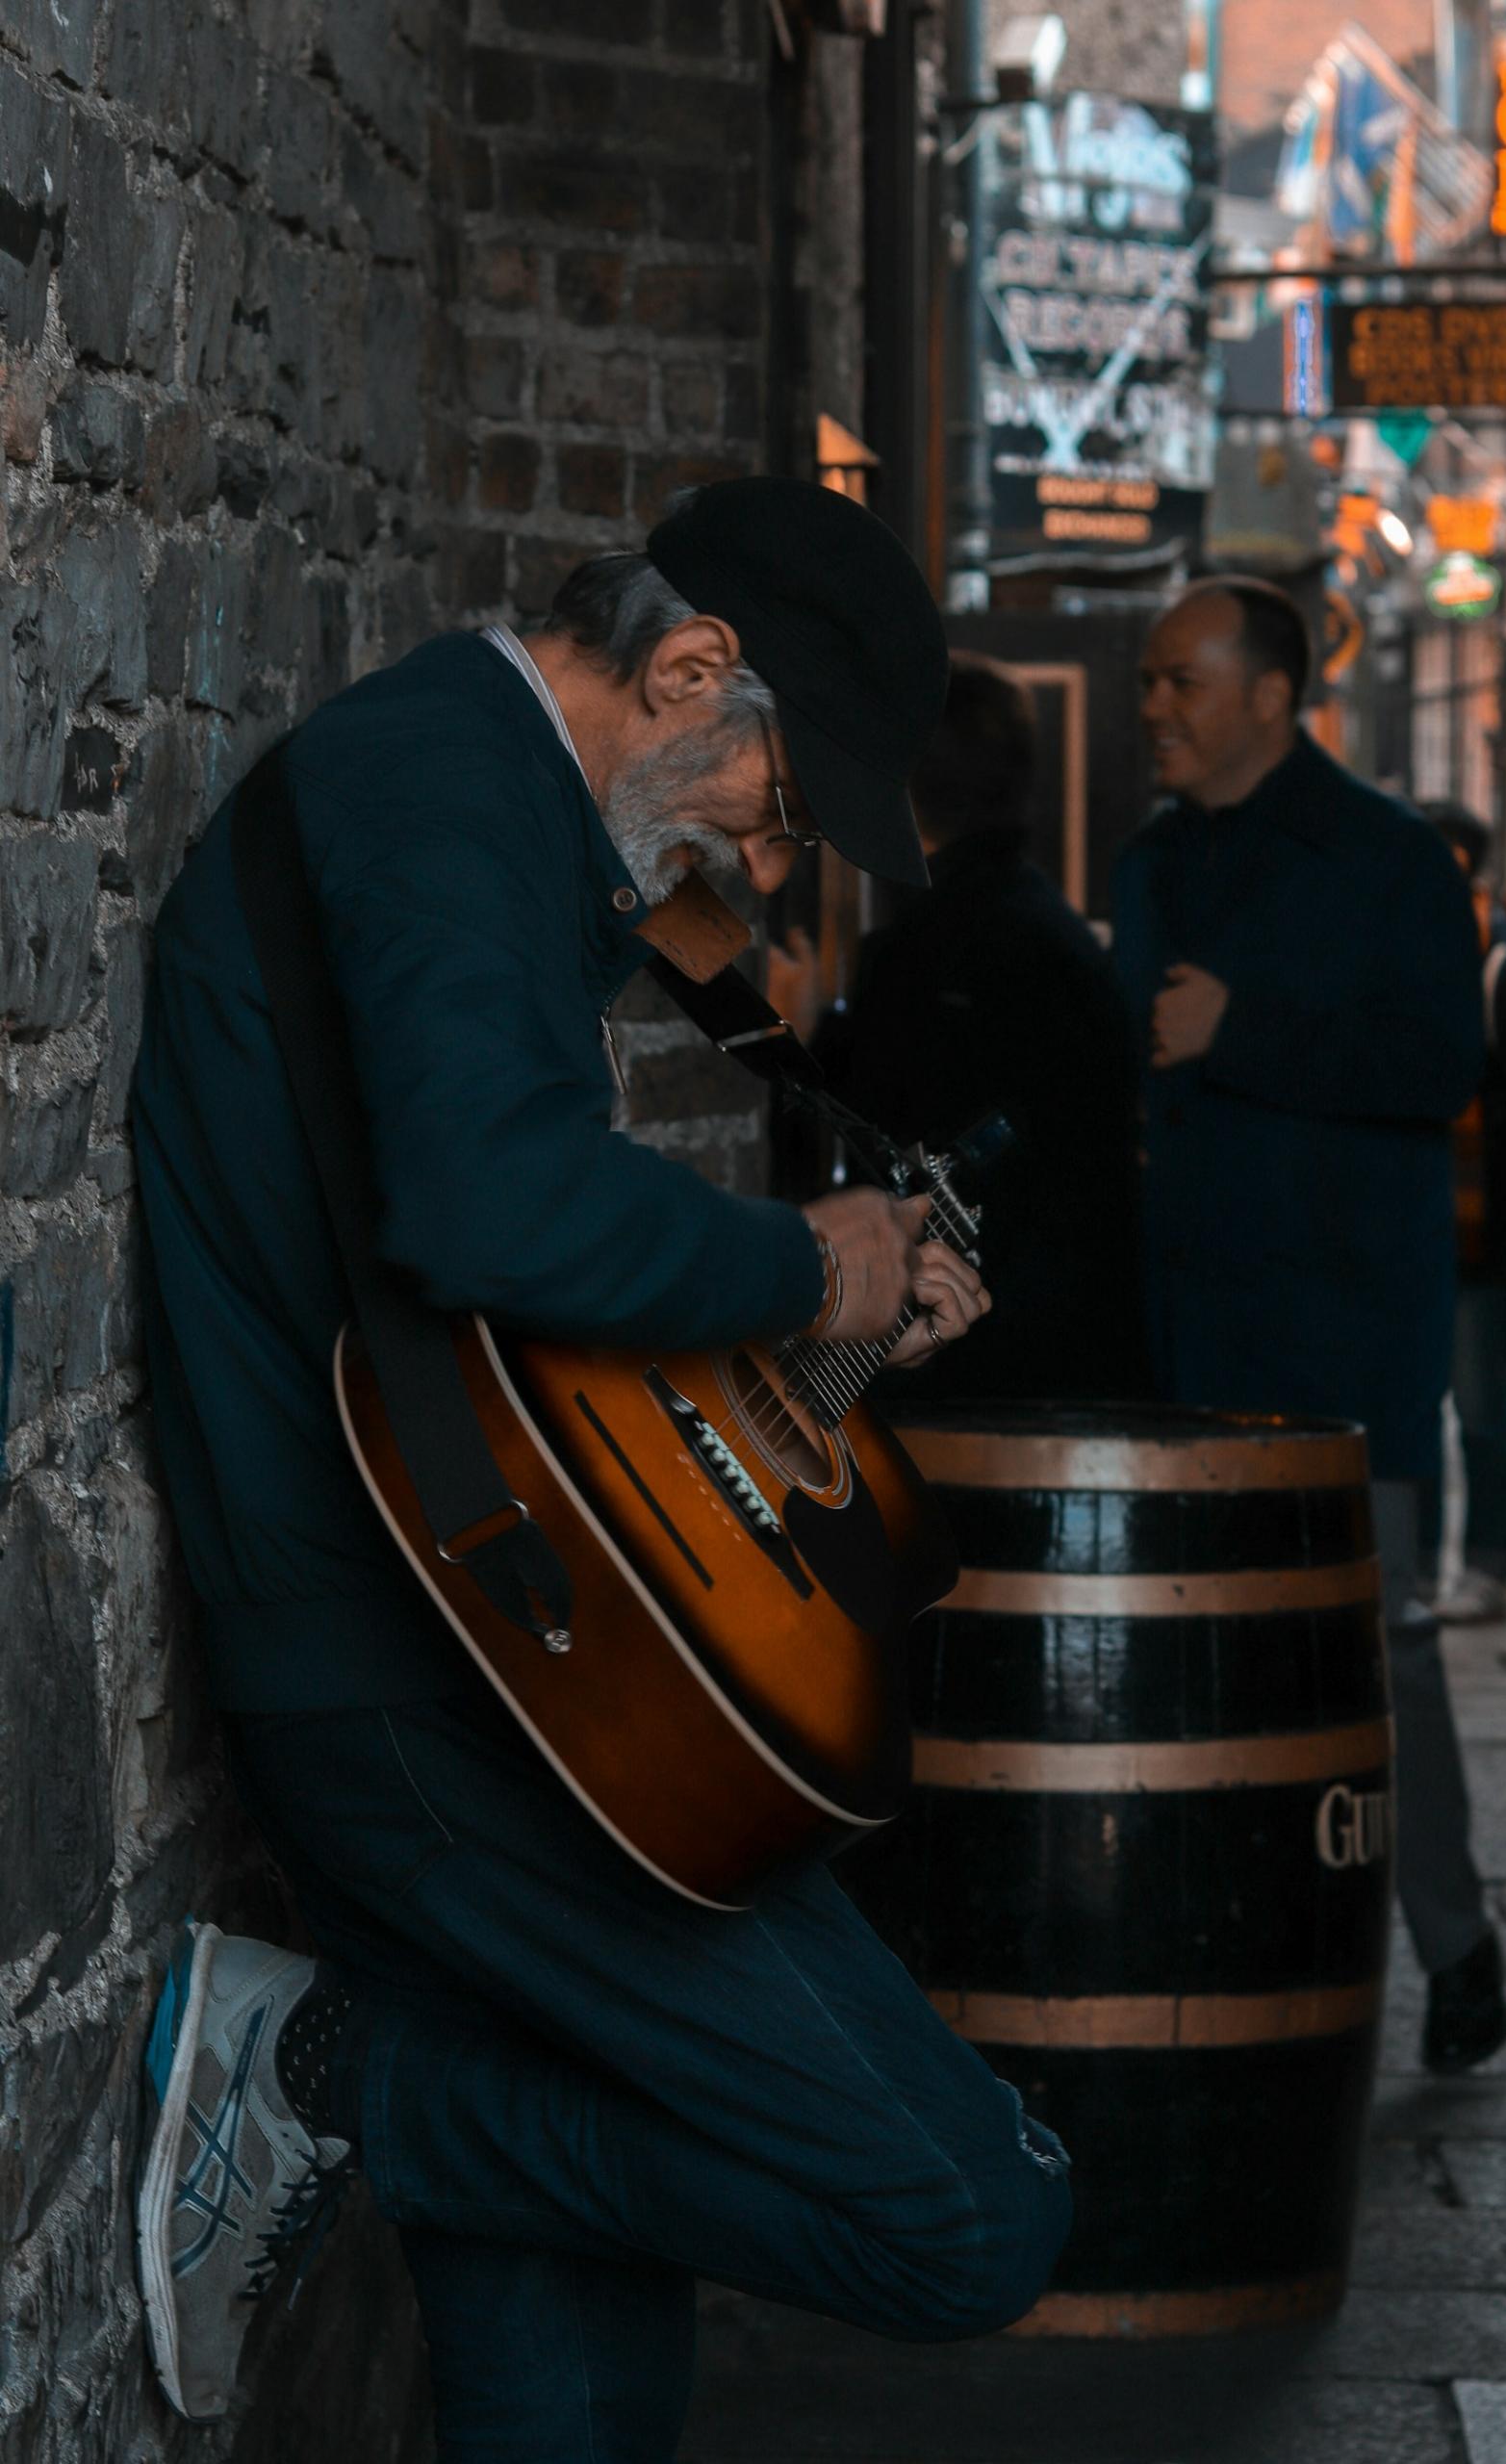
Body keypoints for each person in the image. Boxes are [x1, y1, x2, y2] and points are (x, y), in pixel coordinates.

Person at [130, 479, 1071, 2451]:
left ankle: (366, 2094)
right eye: (782, 799)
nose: (772, 854)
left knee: (566, 2379)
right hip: (446, 1694)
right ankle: (324, 2080)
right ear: (689, 673)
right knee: (965, 2212)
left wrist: (824, 1345)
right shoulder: (444, 788)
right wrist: (808, 1250)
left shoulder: (493, 818)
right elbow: (491, 1206)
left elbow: (514, 1344)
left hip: (491, 1640)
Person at [1111, 577, 1506, 2076]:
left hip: (1348, 1334)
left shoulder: (1391, 856)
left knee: (1384, 1649)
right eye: (1149, 683)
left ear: (1270, 694)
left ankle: (1456, 1949)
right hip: (1192, 1332)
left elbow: (1440, 1064)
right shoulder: (1151, 863)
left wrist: (1245, 1032)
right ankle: (1245, 1948)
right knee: (1206, 1662)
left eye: (1177, 682)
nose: (1153, 706)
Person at [811, 651, 1142, 1399]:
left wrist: (808, 1041)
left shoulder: (937, 944)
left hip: (973, 1356)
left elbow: (888, 1137)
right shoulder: (1045, 926)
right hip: (1069, 1343)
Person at [1419, 805, 1506, 1625]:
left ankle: (1488, 1565)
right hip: (1413, 1231)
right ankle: (1420, 1564)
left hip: (1479, 1234)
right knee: (1414, 1410)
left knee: (1478, 1408)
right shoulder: (1402, 962)